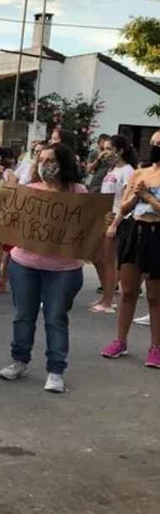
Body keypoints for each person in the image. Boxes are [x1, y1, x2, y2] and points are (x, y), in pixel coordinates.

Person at [0, 143, 87, 393]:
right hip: (24, 263)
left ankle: (56, 371)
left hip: (64, 268)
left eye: (50, 160)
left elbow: (88, 224)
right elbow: (13, 220)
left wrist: (104, 221)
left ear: (63, 163)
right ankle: (19, 361)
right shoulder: (31, 190)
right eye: (41, 159)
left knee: (56, 318)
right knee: (23, 315)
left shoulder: (79, 192)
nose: (44, 165)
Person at [101, 131, 160, 368]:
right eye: (153, 143)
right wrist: (135, 197)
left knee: (155, 296)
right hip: (136, 231)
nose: (155, 147)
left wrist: (147, 196)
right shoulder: (139, 173)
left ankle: (155, 347)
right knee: (128, 291)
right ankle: (120, 340)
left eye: (159, 144)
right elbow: (124, 207)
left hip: (157, 234)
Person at [91, 135, 137, 314]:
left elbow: (126, 200)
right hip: (105, 216)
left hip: (118, 219)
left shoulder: (127, 171)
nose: (105, 153)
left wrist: (115, 224)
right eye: (104, 149)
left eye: (109, 149)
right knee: (99, 258)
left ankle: (108, 301)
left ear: (120, 150)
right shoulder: (112, 169)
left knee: (109, 261)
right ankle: (105, 295)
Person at [0, 147, 18, 295]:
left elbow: (11, 188)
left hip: (6, 212)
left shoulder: (9, 173)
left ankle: (1, 278)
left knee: (6, 248)